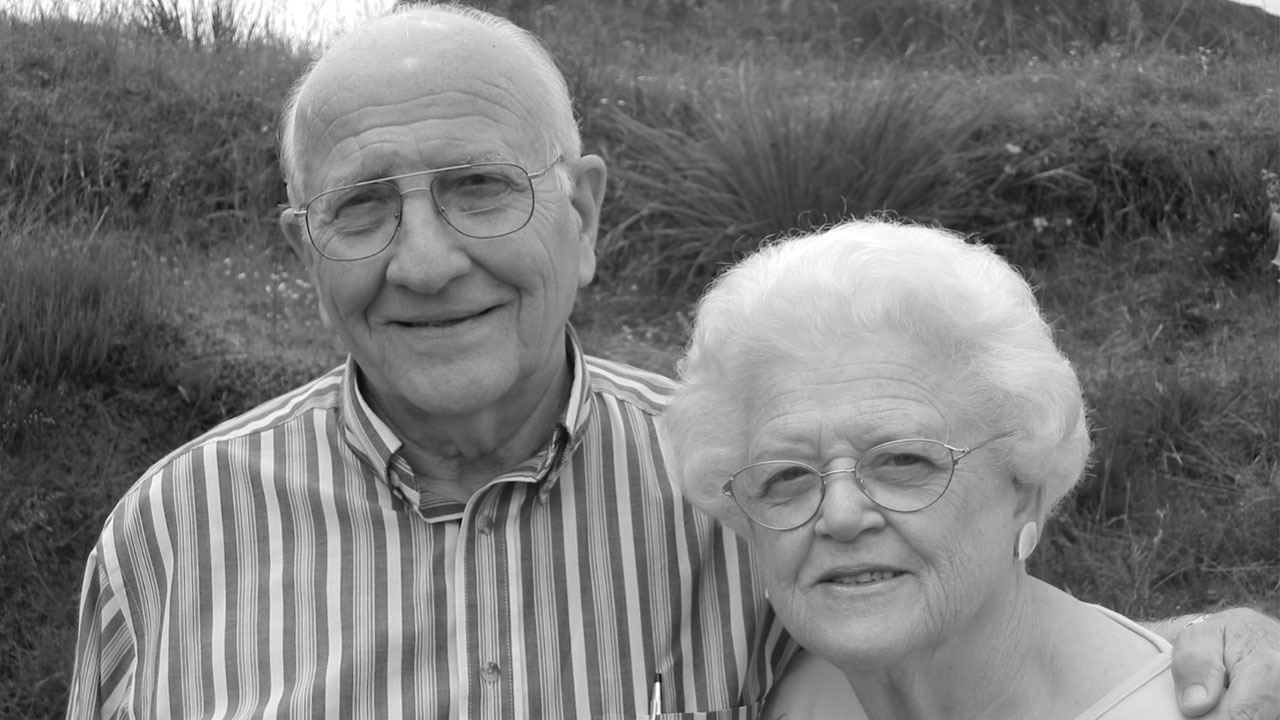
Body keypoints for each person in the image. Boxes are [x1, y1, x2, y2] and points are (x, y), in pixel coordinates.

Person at [64, 4, 1279, 718]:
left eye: (481, 189)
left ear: (584, 214)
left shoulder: (745, 485)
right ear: (303, 248)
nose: (425, 261)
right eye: (363, 208)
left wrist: (1190, 659)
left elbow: (961, 637)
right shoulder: (170, 534)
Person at [661, 218, 1276, 720]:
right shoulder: (777, 691)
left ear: (1023, 490)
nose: (841, 516)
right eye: (787, 476)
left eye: (903, 460)